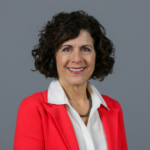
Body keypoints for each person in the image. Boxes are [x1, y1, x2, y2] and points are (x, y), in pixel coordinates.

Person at [13, 11, 128, 150]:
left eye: (85, 49)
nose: (77, 59)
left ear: (97, 55)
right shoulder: (34, 109)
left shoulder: (113, 109)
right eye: (67, 49)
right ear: (53, 55)